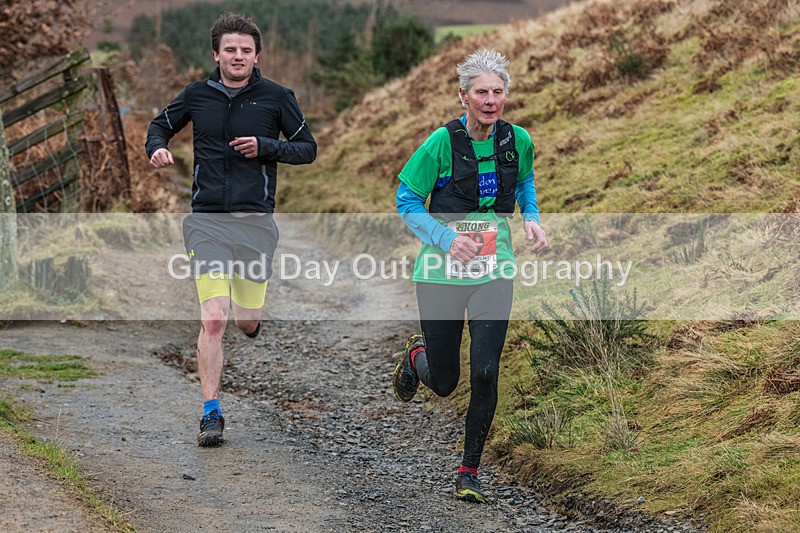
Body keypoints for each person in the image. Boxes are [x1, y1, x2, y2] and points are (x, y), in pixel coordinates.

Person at [145, 12, 316, 446]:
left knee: (245, 320)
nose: (237, 56)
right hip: (207, 223)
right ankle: (211, 412)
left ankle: (252, 323)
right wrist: (157, 148)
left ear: (257, 56)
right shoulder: (196, 95)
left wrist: (266, 146)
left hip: (255, 225)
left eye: (245, 50)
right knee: (214, 317)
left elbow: (307, 149)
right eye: (230, 49)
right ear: (216, 54)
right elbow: (160, 125)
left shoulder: (277, 97)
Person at [392, 49, 547, 503]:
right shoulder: (441, 142)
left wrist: (531, 218)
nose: (490, 100)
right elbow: (406, 200)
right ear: (464, 95)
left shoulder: (517, 139)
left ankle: (469, 471)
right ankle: (417, 356)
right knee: (444, 382)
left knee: (485, 371)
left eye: (498, 92)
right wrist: (445, 239)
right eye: (481, 92)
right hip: (441, 271)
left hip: (493, 270)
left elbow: (524, 181)